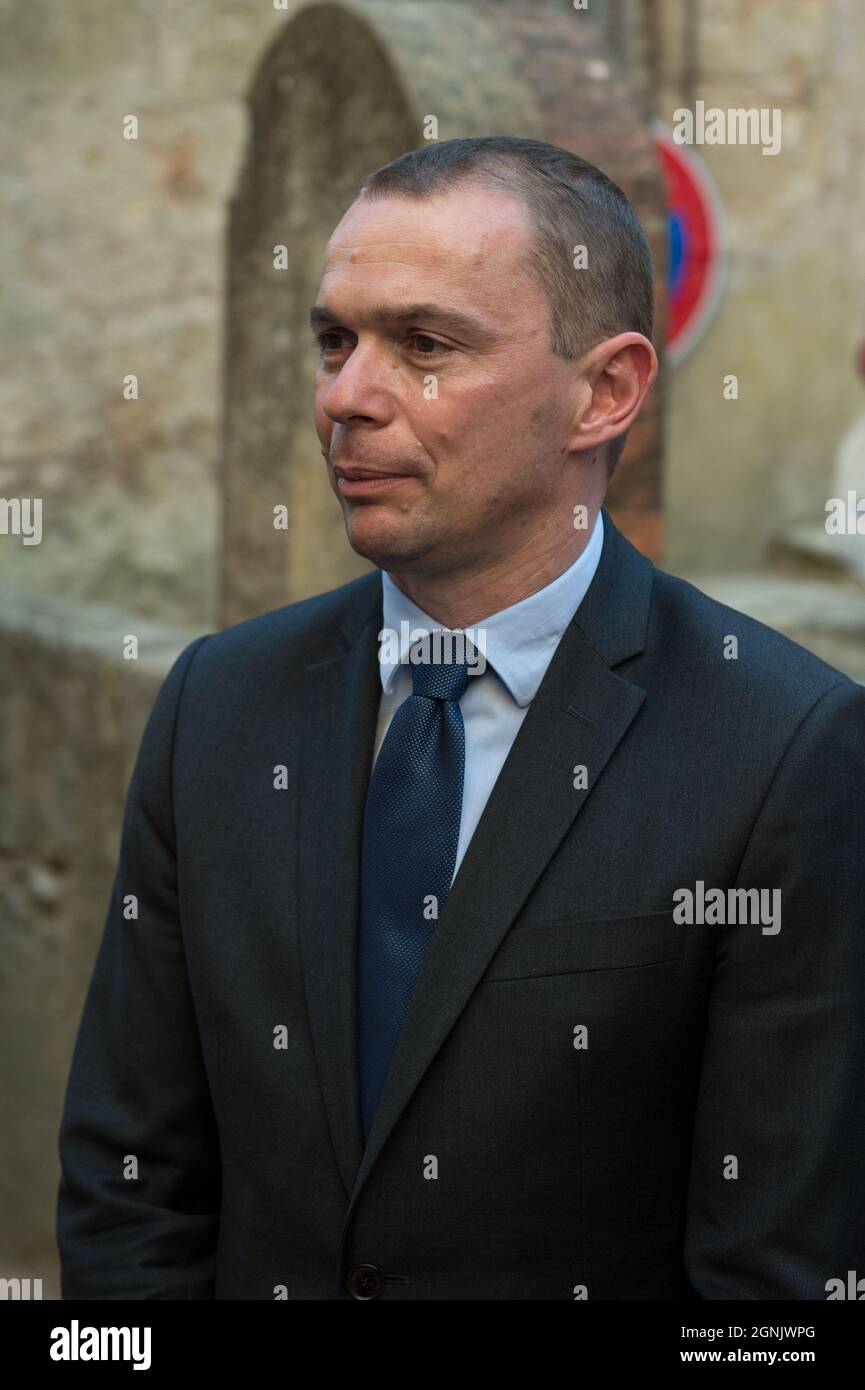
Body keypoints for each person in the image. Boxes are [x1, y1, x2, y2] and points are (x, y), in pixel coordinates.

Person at [57, 136, 865, 1300]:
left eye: (424, 345)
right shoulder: (219, 703)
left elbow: (775, 1280)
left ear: (605, 390)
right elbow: (132, 1183)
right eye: (335, 341)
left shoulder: (783, 750)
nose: (345, 396)